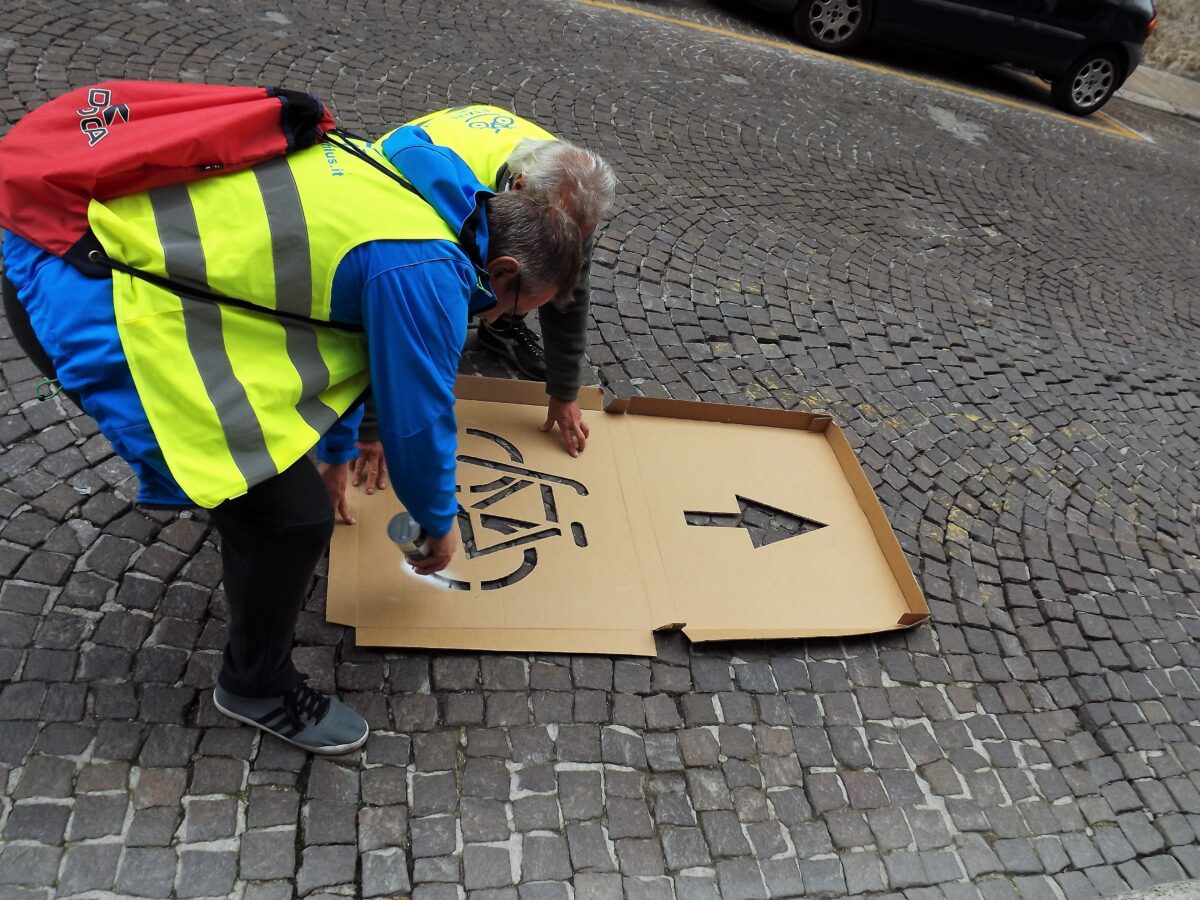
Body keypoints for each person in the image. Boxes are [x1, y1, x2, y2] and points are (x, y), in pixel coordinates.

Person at [1, 129, 581, 755]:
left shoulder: (421, 174)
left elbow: (347, 337)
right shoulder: (428, 270)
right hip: (95, 302)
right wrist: (438, 520)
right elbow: (419, 418)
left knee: (284, 488)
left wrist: (334, 456)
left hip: (87, 242)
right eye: (515, 307)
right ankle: (256, 686)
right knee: (290, 520)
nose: (500, 320)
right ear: (503, 269)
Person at [333, 106, 616, 502]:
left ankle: (501, 323)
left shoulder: (570, 207)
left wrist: (565, 389)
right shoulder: (437, 220)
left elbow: (569, 291)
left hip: (482, 233)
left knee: (506, 287)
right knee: (434, 301)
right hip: (382, 195)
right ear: (518, 190)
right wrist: (374, 425)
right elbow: (391, 317)